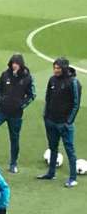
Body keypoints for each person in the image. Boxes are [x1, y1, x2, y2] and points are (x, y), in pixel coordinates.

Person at [0, 54, 36, 173]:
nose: (14, 65)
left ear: (21, 64)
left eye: (16, 63)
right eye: (12, 63)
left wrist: (22, 105)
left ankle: (13, 163)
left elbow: (32, 95)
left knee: (14, 138)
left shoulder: (27, 78)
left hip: (16, 114)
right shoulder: (5, 74)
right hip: (1, 111)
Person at [37, 57, 82, 188]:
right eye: (54, 68)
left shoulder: (73, 82)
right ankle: (51, 173)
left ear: (64, 69)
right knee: (52, 147)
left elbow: (76, 103)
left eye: (58, 68)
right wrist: (46, 115)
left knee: (69, 149)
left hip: (64, 123)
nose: (55, 70)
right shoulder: (52, 80)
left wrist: (69, 121)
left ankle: (73, 178)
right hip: (51, 121)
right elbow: (48, 98)